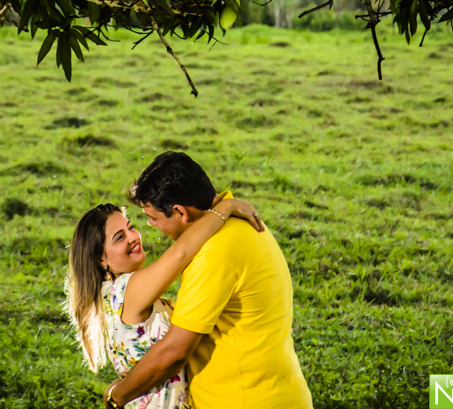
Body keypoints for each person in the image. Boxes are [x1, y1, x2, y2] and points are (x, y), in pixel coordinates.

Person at [103, 152, 313, 409]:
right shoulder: (242, 222)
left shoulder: (213, 253)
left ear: (180, 211)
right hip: (277, 390)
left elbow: (174, 352)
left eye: (154, 218)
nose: (150, 225)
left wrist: (118, 396)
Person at [66, 192, 264, 409]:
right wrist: (225, 208)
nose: (133, 237)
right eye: (119, 238)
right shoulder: (125, 290)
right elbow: (181, 253)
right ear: (101, 258)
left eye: (131, 228)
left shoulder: (111, 295)